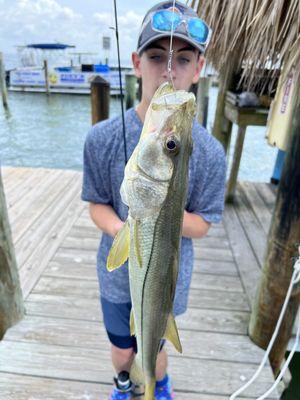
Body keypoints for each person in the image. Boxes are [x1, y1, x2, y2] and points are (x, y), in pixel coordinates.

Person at [81, 1, 226, 399]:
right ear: (136, 62)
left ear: (198, 69)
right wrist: (123, 227)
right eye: (157, 55)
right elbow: (96, 203)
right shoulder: (102, 139)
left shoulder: (211, 154)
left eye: (182, 59)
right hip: (115, 277)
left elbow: (206, 221)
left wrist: (162, 213)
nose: (168, 70)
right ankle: (124, 381)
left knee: (156, 345)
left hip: (167, 282)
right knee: (121, 347)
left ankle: (157, 384)